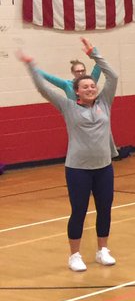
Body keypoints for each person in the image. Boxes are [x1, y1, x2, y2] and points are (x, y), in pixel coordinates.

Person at [20, 38, 119, 271]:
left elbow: (113, 76)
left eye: (92, 86)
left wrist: (94, 54)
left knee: (105, 209)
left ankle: (102, 250)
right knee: (79, 211)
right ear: (76, 92)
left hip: (104, 167)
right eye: (85, 87)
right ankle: (74, 255)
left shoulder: (104, 103)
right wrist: (31, 67)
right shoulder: (68, 107)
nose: (90, 88)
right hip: (78, 169)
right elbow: (44, 89)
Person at [38, 55, 122, 161]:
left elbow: (99, 66)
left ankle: (110, 153)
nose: (81, 73)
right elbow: (50, 78)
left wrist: (94, 53)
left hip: (93, 113)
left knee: (103, 131)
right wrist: (33, 68)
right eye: (78, 71)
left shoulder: (90, 80)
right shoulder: (67, 84)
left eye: (83, 70)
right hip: (78, 116)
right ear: (73, 72)